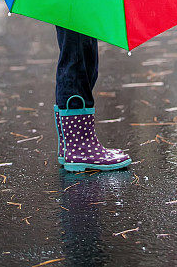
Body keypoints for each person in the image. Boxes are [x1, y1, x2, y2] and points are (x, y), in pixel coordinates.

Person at [53, 26, 131, 172]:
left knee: (85, 53)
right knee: (76, 53)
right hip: (74, 5)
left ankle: (70, 147)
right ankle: (79, 147)